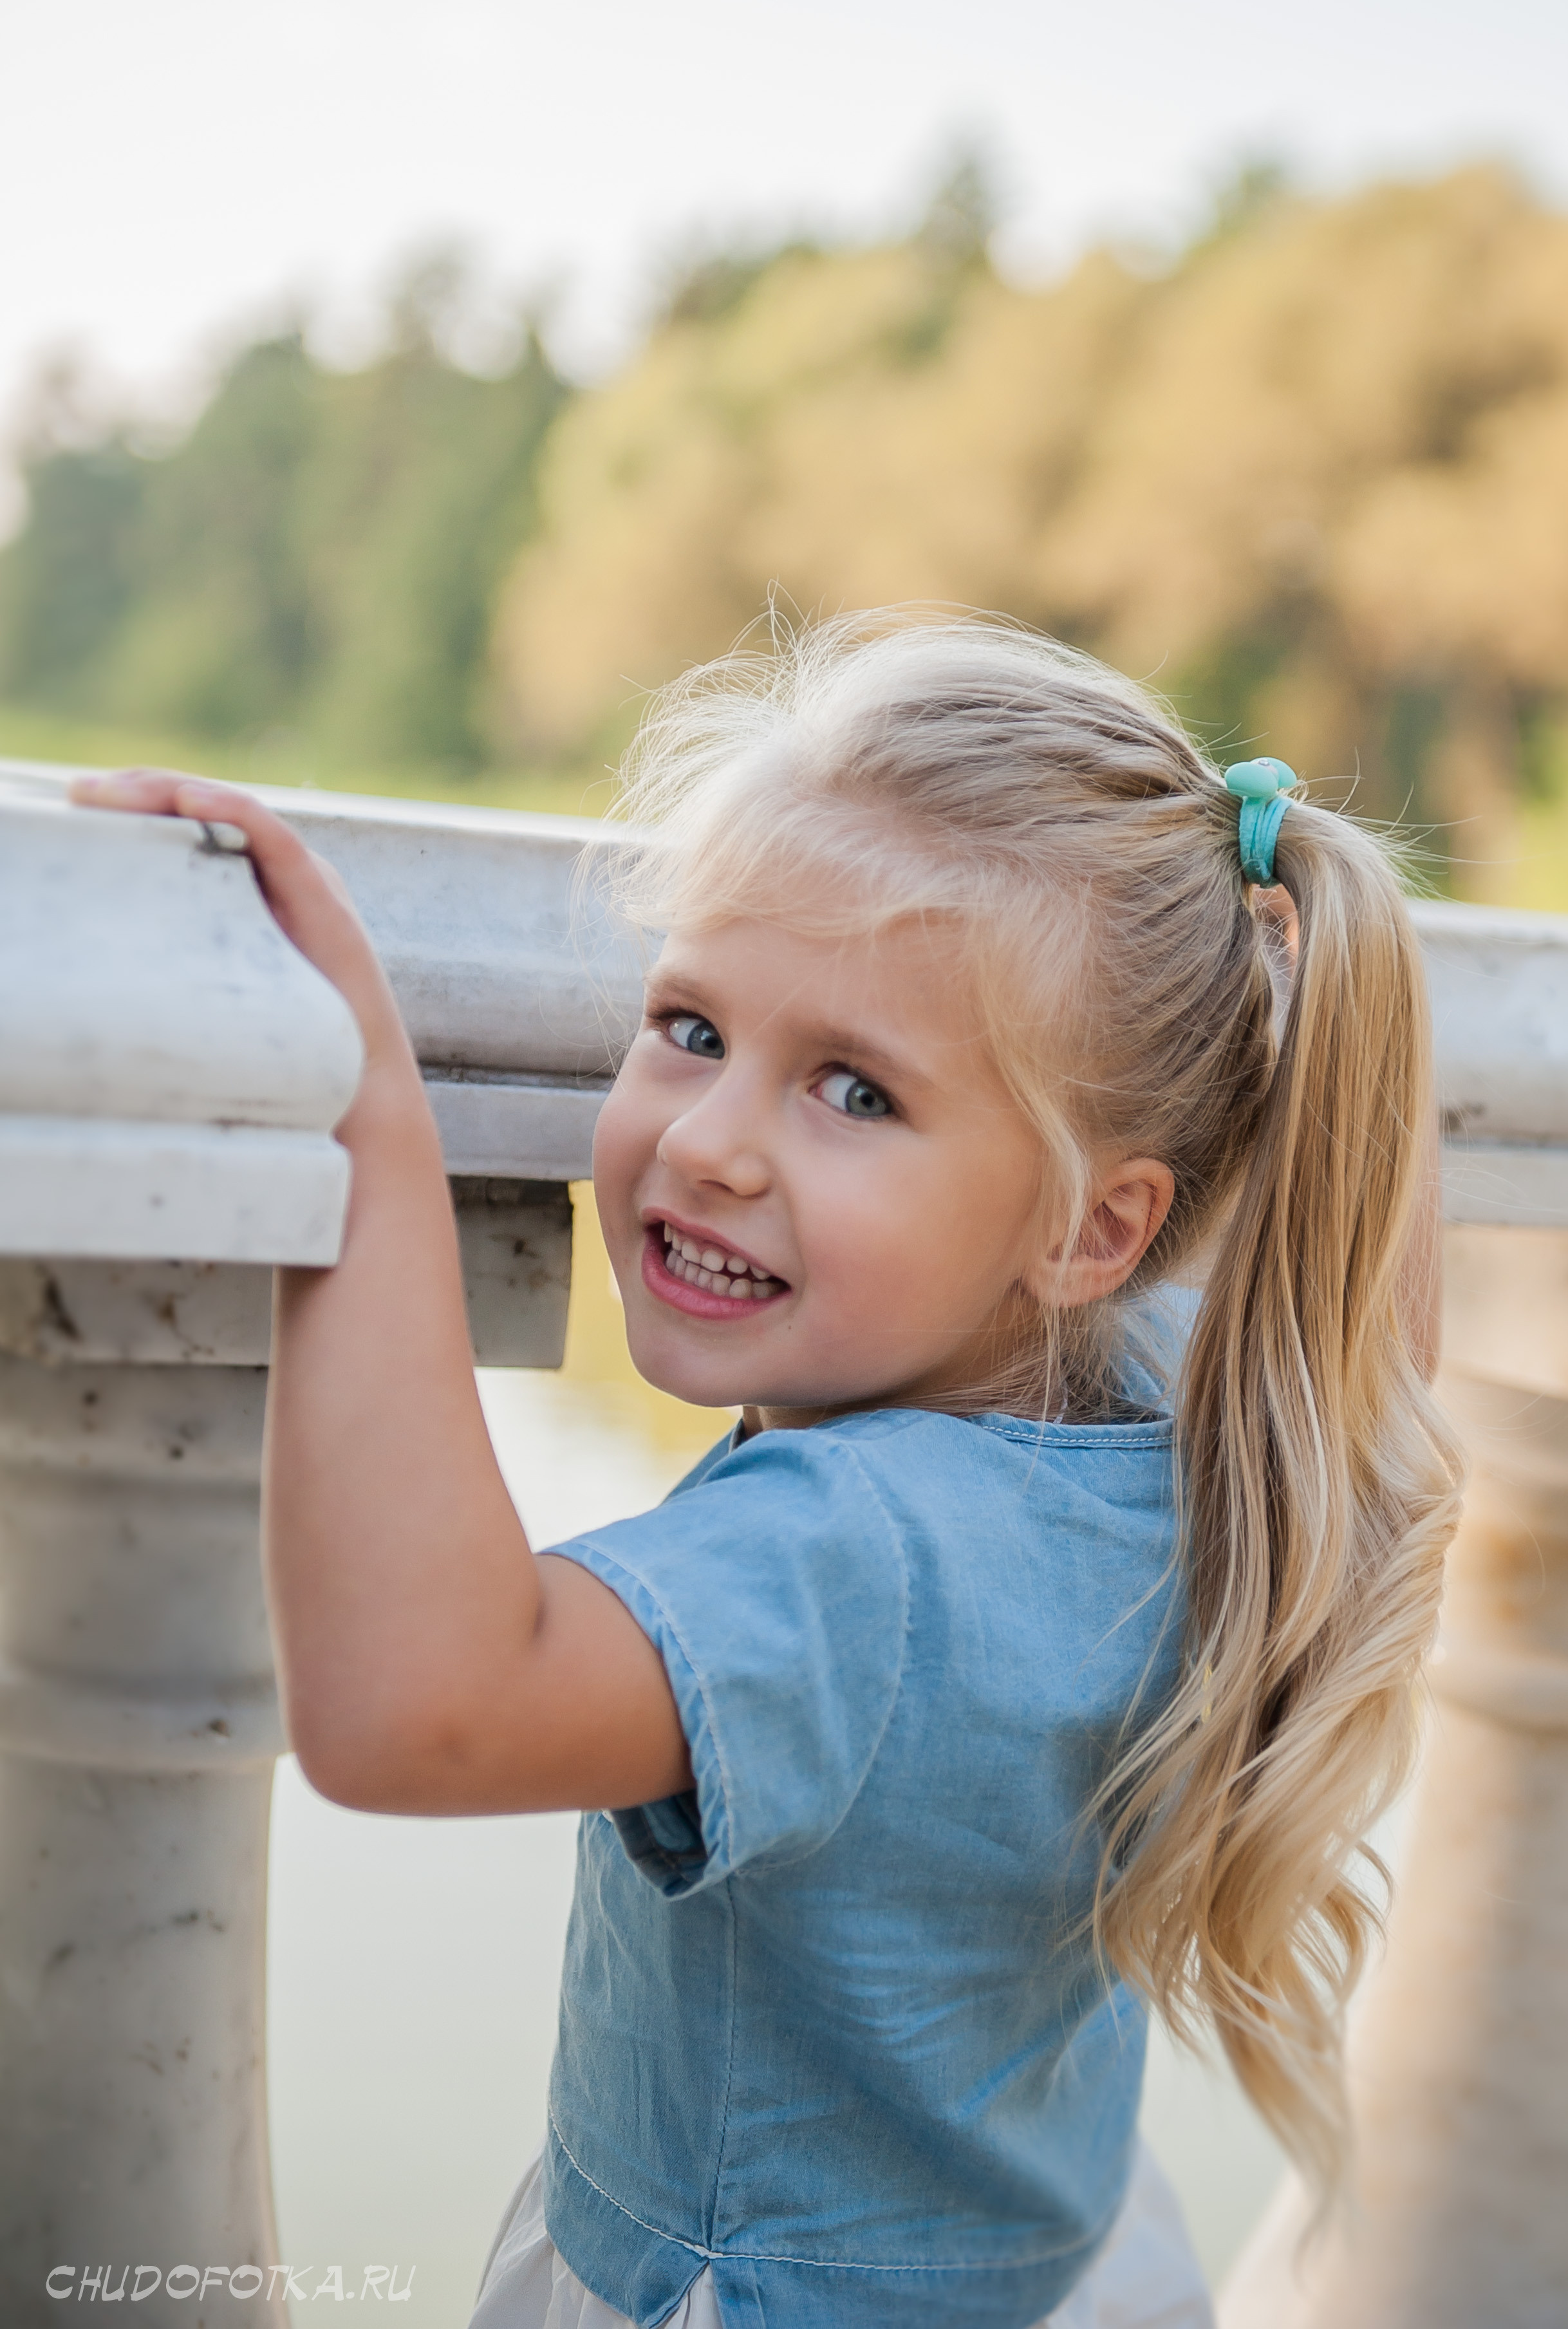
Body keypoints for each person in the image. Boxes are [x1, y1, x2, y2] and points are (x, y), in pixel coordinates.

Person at [73, 613, 1462, 2329]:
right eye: (690, 1025)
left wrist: (366, 1108)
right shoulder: (1211, 1410)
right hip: (1060, 2259)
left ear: (1095, 1226)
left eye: (855, 1093)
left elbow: (411, 1708)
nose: (709, 1141)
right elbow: (1359, 1303)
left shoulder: (859, 1558)